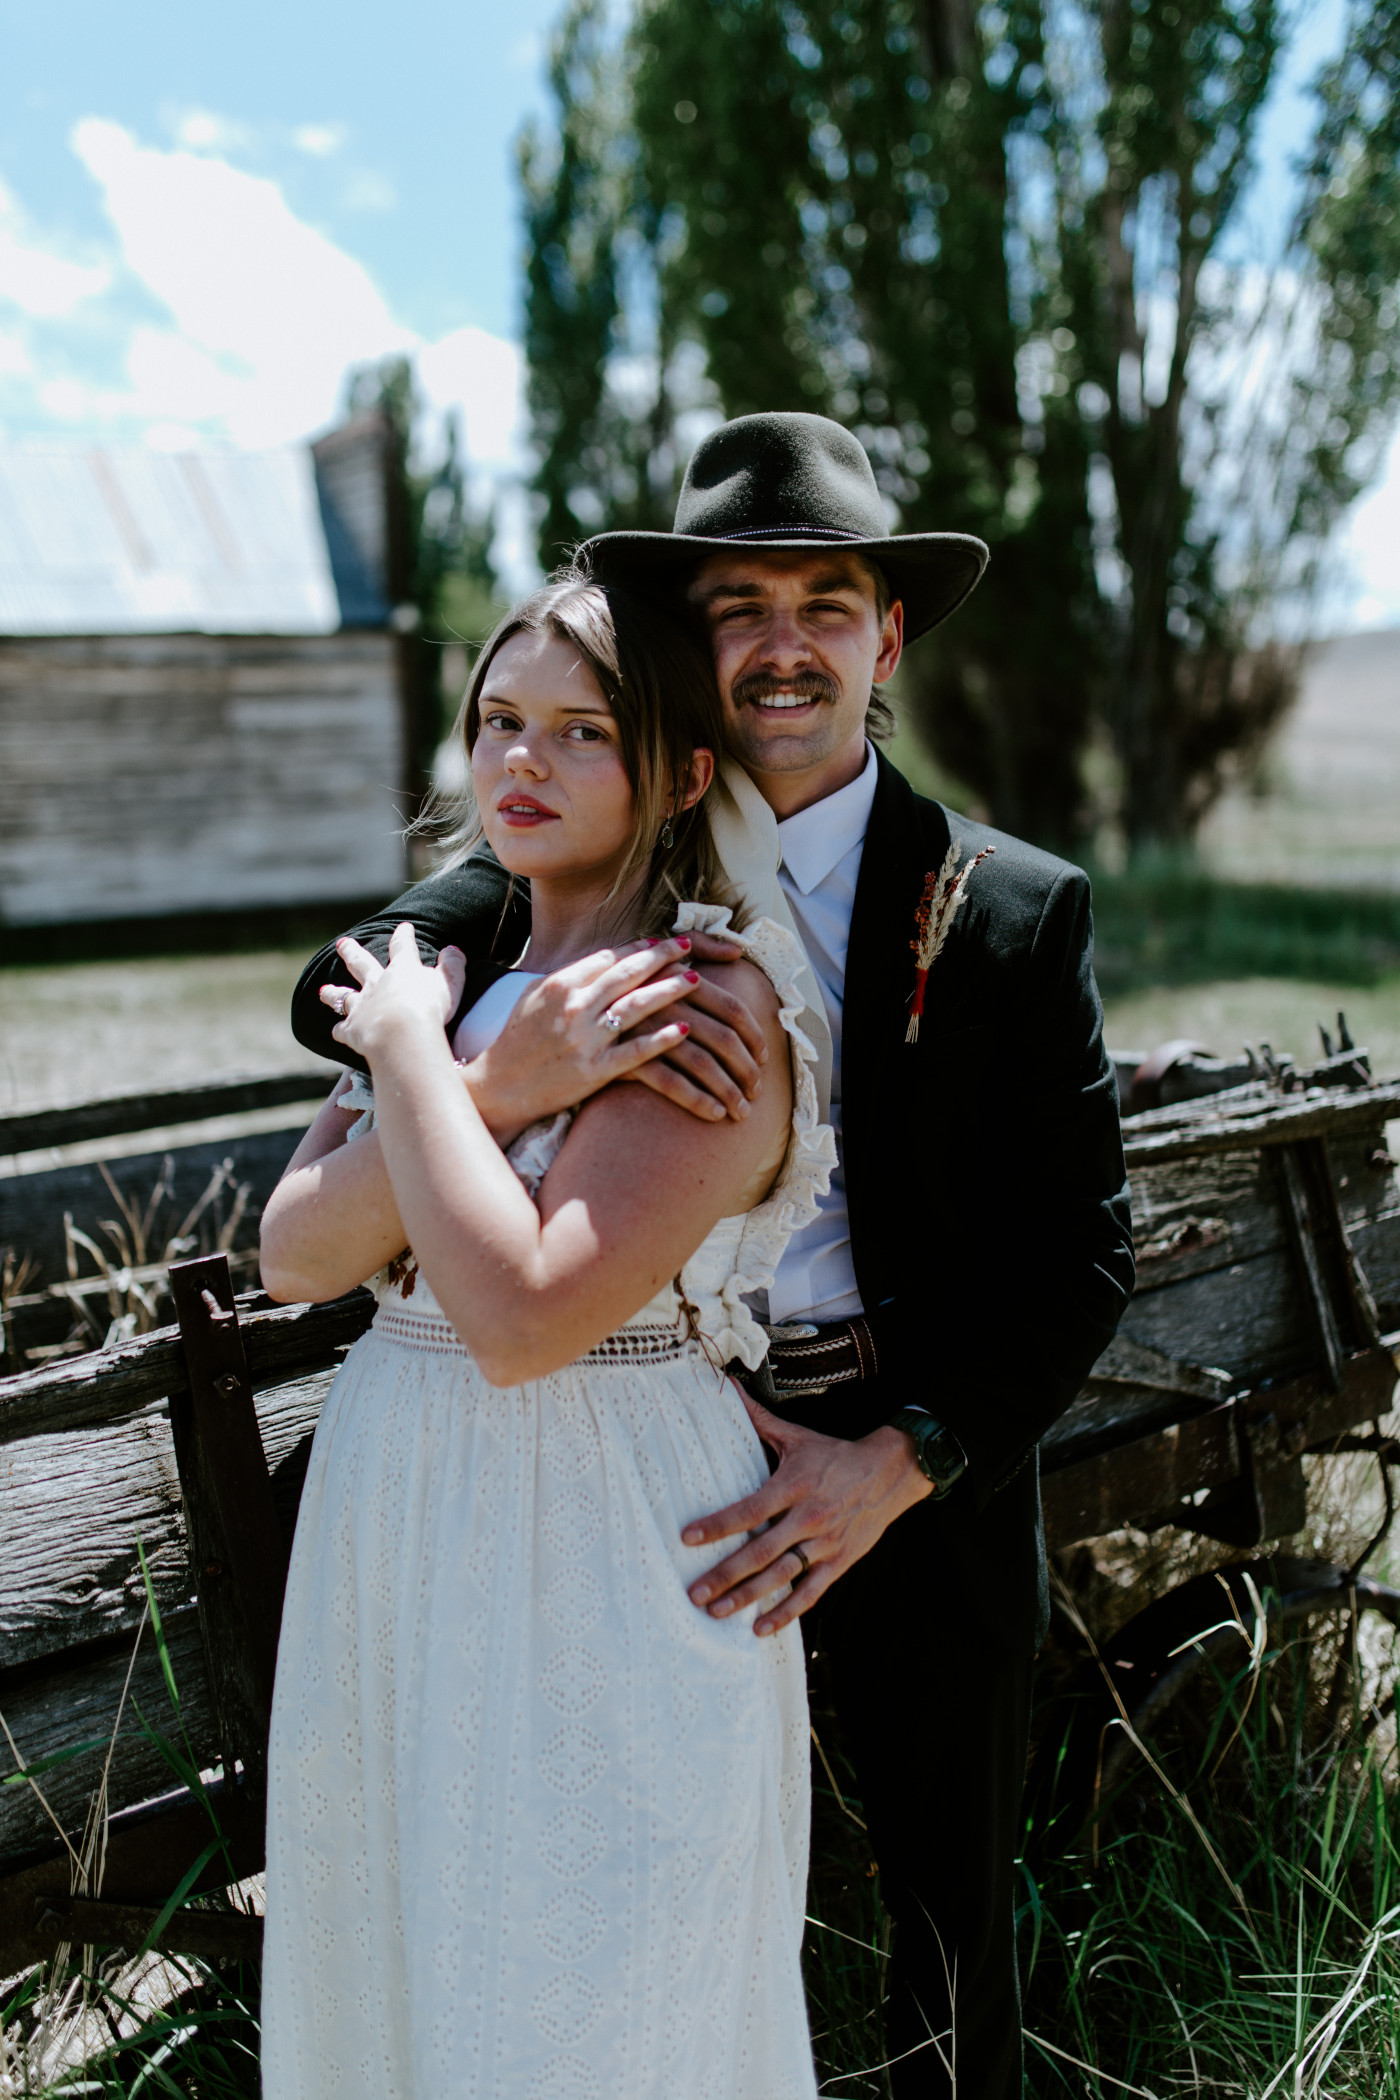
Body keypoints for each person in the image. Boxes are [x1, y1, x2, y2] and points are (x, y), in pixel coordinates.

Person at [290, 412, 1137, 2098]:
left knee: (948, 1943)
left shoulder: (1005, 908)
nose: (783, 646)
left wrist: (900, 1464)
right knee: (630, 1922)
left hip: (897, 1469)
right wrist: (463, 1041)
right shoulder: (567, 856)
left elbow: (1082, 1254)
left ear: (884, 640)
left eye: (825, 605)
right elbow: (367, 975)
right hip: (645, 1471)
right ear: (691, 654)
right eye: (737, 608)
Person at [258, 575, 840, 2100]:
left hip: (603, 1528)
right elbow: (294, 1250)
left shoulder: (706, 1001)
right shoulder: (443, 985)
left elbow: (519, 1317)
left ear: (681, 774)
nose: (524, 761)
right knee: (396, 1983)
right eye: (501, 722)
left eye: (584, 733)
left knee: (588, 2008)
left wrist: (412, 1069)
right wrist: (476, 1079)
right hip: (399, 1518)